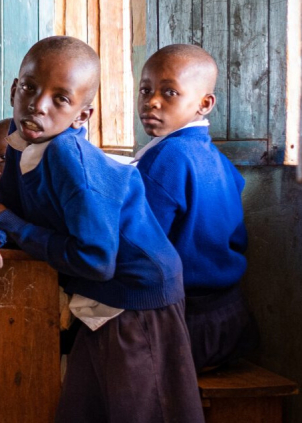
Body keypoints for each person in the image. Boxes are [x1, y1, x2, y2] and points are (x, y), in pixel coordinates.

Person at [0, 36, 203, 422]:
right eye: (30, 88)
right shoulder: (20, 138)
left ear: (82, 115)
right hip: (100, 298)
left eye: (60, 98)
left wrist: (4, 222)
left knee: (142, 411)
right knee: (83, 409)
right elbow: (9, 206)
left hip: (138, 301)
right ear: (14, 90)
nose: (38, 105)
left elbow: (95, 260)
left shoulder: (67, 156)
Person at [134, 44, 255, 372]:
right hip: (231, 321)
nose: (152, 101)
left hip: (186, 328)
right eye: (145, 90)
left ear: (205, 104)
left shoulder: (166, 157)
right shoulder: (217, 159)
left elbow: (138, 249)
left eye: (169, 92)